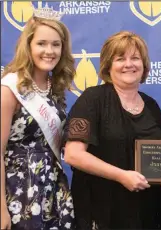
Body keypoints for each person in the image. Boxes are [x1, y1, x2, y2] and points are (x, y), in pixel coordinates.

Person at [64, 31, 161, 229]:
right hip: (104, 210)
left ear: (144, 64)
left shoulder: (151, 105)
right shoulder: (92, 100)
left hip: (148, 211)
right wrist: (121, 176)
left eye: (135, 58)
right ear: (108, 65)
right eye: (120, 59)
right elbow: (73, 155)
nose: (129, 64)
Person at [1, 6, 76, 230]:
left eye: (56, 44)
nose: (49, 51)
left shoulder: (56, 89)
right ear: (28, 46)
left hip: (52, 186)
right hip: (17, 189)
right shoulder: (10, 88)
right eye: (41, 43)